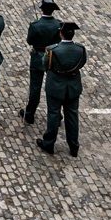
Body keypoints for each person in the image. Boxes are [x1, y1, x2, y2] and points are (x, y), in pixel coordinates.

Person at [36, 20, 87, 157]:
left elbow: (45, 65)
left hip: (55, 86)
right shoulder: (80, 49)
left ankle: (49, 143)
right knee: (72, 116)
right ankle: (74, 146)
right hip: (73, 86)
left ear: (61, 34)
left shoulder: (52, 50)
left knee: (53, 114)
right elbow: (82, 63)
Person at [22, 0, 63, 125]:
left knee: (35, 87)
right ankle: (57, 114)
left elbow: (29, 41)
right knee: (54, 87)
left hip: (37, 57)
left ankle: (30, 113)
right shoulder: (58, 24)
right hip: (52, 57)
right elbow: (59, 41)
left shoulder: (35, 25)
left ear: (42, 9)